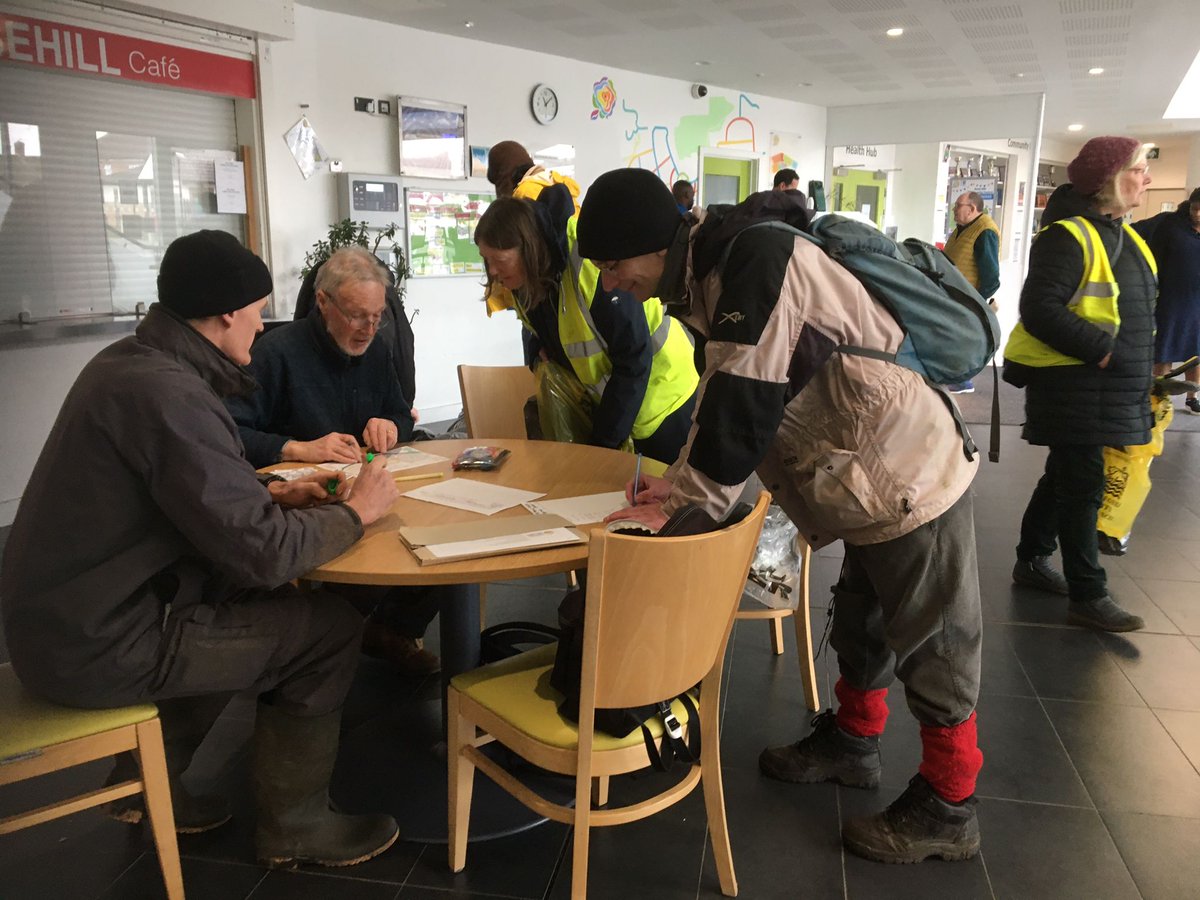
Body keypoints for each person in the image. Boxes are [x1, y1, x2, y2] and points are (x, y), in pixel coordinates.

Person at [576, 168, 984, 865]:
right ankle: (854, 742)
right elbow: (721, 390)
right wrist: (675, 482)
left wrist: (679, 519)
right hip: (862, 472)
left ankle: (950, 805)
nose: (611, 284)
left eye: (614, 265)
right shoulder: (715, 271)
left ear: (654, 246)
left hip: (909, 469)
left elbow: (741, 414)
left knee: (935, 642)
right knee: (862, 619)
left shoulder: (755, 261)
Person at [0, 230, 402, 868]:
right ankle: (296, 826)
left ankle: (153, 781)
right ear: (226, 314)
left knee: (246, 598)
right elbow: (265, 554)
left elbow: (187, 497)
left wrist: (272, 496)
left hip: (66, 620)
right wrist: (358, 511)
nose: (263, 326)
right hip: (97, 643)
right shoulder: (171, 394)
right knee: (326, 631)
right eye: (257, 311)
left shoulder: (131, 364)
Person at [227, 245, 451, 674]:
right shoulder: (275, 353)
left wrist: (390, 425)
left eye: (378, 316)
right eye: (357, 316)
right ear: (323, 302)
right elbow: (230, 432)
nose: (369, 329)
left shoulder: (377, 349)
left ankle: (390, 630)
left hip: (375, 488)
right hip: (309, 501)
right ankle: (335, 638)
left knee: (444, 544)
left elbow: (400, 412)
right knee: (373, 554)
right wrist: (295, 447)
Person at [1004, 136, 1156, 632]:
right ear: (1109, 180)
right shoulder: (1068, 237)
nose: (1147, 179)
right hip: (1075, 385)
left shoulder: (1124, 236)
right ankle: (1088, 593)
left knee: (1065, 477)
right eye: (1138, 170)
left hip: (1104, 387)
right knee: (1083, 485)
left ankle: (1031, 559)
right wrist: (1102, 350)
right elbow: (1039, 309)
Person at [474, 183, 699, 464]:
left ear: (528, 250)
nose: (493, 270)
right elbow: (544, 328)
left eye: (499, 259)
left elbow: (633, 358)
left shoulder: (588, 266)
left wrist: (602, 446)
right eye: (486, 259)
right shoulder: (524, 280)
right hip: (617, 408)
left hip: (664, 402)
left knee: (665, 490)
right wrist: (537, 350)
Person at [1138, 187, 1200, 414]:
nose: (1197, 214)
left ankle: (1193, 396)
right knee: (1165, 348)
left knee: (1196, 350)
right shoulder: (1171, 224)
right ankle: (1158, 397)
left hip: (1196, 300)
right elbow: (1152, 253)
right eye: (1194, 209)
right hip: (1170, 297)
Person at [942, 191, 1001, 394]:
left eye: (958, 206)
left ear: (972, 208)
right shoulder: (961, 229)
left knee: (961, 339)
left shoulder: (985, 232)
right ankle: (954, 377)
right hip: (952, 296)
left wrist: (976, 302)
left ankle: (962, 381)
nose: (954, 210)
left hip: (966, 299)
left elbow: (991, 277)